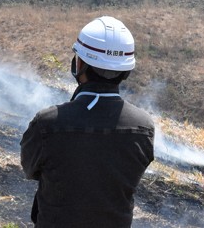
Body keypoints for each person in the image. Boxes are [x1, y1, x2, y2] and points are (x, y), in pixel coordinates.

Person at [20, 15, 155, 227]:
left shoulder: (47, 123)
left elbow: (30, 169)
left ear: (79, 63)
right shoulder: (144, 127)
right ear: (126, 70)